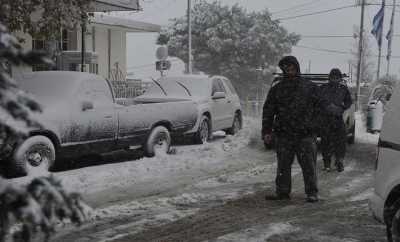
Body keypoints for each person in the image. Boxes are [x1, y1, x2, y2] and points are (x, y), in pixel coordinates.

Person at [262, 56, 320, 203]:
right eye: (286, 68)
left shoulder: (310, 87)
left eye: (292, 67)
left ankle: (312, 192)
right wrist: (267, 131)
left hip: (305, 135)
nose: (289, 70)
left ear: (297, 68)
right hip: (284, 135)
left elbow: (320, 109)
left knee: (309, 166)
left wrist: (314, 126)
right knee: (283, 166)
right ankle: (282, 192)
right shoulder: (277, 89)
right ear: (283, 70)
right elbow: (268, 111)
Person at [319, 68, 353, 172]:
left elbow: (349, 101)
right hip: (325, 119)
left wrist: (341, 108)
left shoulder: (343, 89)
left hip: (338, 119)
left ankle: (339, 161)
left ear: (340, 79)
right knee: (325, 142)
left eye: (337, 77)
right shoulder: (323, 88)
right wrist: (326, 106)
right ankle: (327, 163)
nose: (335, 79)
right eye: (333, 77)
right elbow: (317, 100)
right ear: (329, 78)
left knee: (341, 141)